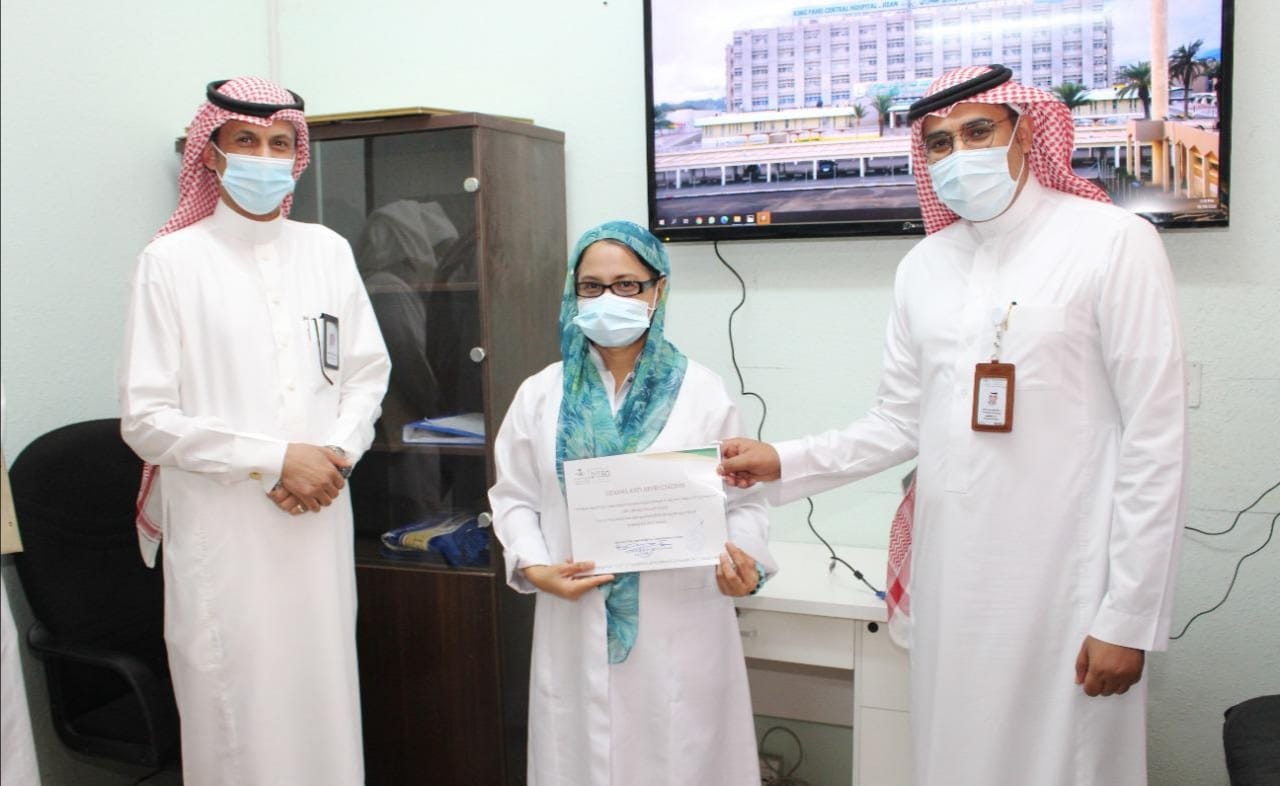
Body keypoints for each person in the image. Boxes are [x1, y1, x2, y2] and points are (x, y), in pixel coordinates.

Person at [719, 65, 1187, 786]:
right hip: (950, 579)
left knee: (1063, 765)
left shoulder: (1113, 241)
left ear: (1024, 133)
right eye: (938, 142)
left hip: (1067, 582)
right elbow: (899, 420)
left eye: (977, 131)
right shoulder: (923, 266)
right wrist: (784, 459)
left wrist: (1128, 617)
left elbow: (1156, 440)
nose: (957, 154)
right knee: (951, 760)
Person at [119, 77, 391, 786]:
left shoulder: (327, 250)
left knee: (324, 696)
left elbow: (367, 373)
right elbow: (146, 419)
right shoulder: (170, 263)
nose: (264, 157)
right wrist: (276, 460)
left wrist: (333, 456)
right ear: (210, 154)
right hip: (224, 526)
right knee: (237, 708)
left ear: (297, 157)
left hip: (319, 510)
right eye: (245, 140)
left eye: (278, 143)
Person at [488, 220, 775, 785]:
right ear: (573, 292)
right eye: (592, 287)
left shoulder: (702, 391)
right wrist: (536, 567)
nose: (608, 299)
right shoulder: (540, 394)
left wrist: (747, 561)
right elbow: (514, 496)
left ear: (657, 290)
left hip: (681, 622)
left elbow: (745, 501)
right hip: (574, 617)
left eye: (626, 285)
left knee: (682, 758)